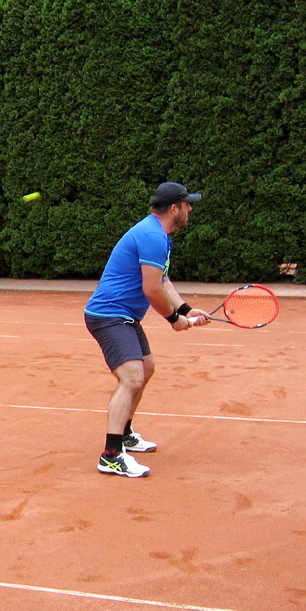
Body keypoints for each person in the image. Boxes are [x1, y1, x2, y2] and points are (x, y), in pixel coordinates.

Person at [83, 182, 211, 478]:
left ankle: (124, 434)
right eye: (187, 205)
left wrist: (185, 310)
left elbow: (162, 280)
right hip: (109, 315)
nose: (190, 209)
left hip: (125, 315)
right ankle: (111, 455)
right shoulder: (153, 235)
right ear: (174, 208)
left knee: (147, 367)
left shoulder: (158, 234)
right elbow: (151, 289)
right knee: (132, 376)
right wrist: (174, 319)